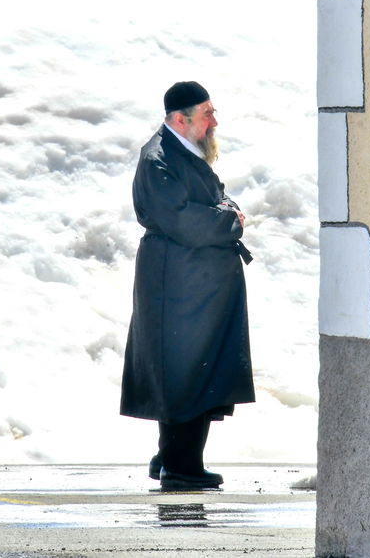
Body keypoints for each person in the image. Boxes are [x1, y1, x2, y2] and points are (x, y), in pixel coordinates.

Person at [119, 81, 254, 490]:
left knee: (191, 367)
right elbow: (182, 219)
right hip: (179, 285)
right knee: (184, 369)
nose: (214, 122)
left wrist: (227, 209)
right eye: (207, 113)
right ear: (181, 119)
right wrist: (229, 220)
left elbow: (213, 198)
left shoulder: (183, 151)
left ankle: (170, 458)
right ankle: (182, 466)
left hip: (194, 284)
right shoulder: (158, 158)